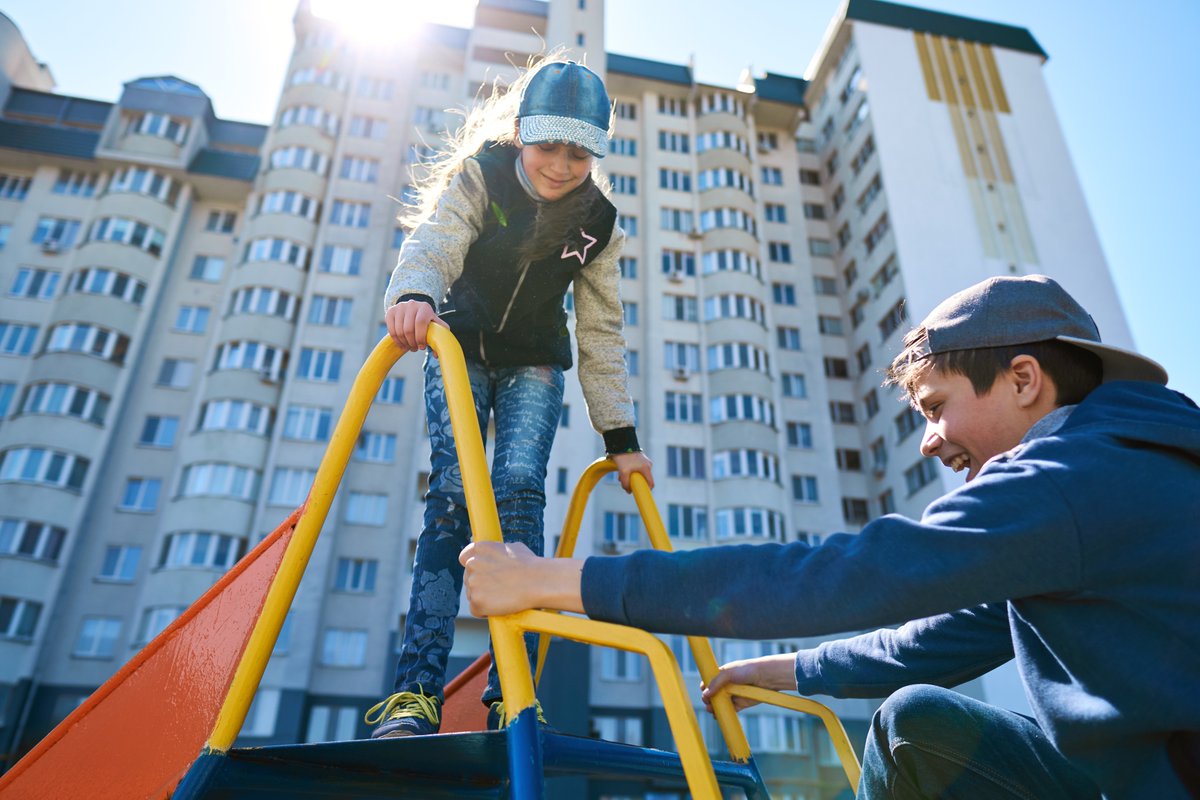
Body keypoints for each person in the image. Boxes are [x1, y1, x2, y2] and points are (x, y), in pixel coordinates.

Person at [460, 274, 1200, 798]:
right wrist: (788, 670)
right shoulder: (1122, 468)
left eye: (936, 407)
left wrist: (555, 579)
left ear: (1025, 379)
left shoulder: (1068, 477)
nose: (929, 441)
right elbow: (943, 639)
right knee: (916, 724)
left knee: (912, 728)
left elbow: (852, 573)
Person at [365, 58, 653, 739]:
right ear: (521, 132)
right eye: (548, 146)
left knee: (521, 487)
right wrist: (414, 295)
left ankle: (514, 694)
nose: (561, 166)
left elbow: (601, 330)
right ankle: (414, 693)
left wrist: (620, 438)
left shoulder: (598, 222)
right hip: (459, 347)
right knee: (454, 494)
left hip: (534, 361)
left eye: (579, 154)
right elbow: (437, 240)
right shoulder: (483, 176)